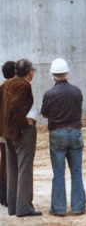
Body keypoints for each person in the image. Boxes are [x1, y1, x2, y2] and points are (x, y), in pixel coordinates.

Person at [40, 58, 86, 217]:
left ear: (52, 75)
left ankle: (59, 208)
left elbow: (45, 113)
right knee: (76, 172)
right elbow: (78, 109)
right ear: (67, 73)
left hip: (57, 133)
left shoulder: (49, 94)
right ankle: (78, 207)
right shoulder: (76, 91)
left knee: (59, 174)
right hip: (75, 132)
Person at [0, 59, 41, 217]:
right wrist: (25, 122)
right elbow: (16, 106)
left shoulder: (6, 84)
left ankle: (13, 206)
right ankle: (24, 208)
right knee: (24, 169)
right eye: (33, 71)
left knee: (11, 169)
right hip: (21, 133)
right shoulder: (23, 85)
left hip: (7, 133)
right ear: (29, 72)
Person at [0, 60, 15, 208]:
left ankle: (2, 195)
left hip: (1, 130)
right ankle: (7, 197)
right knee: (9, 163)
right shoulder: (12, 88)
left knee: (3, 161)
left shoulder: (2, 87)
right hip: (8, 130)